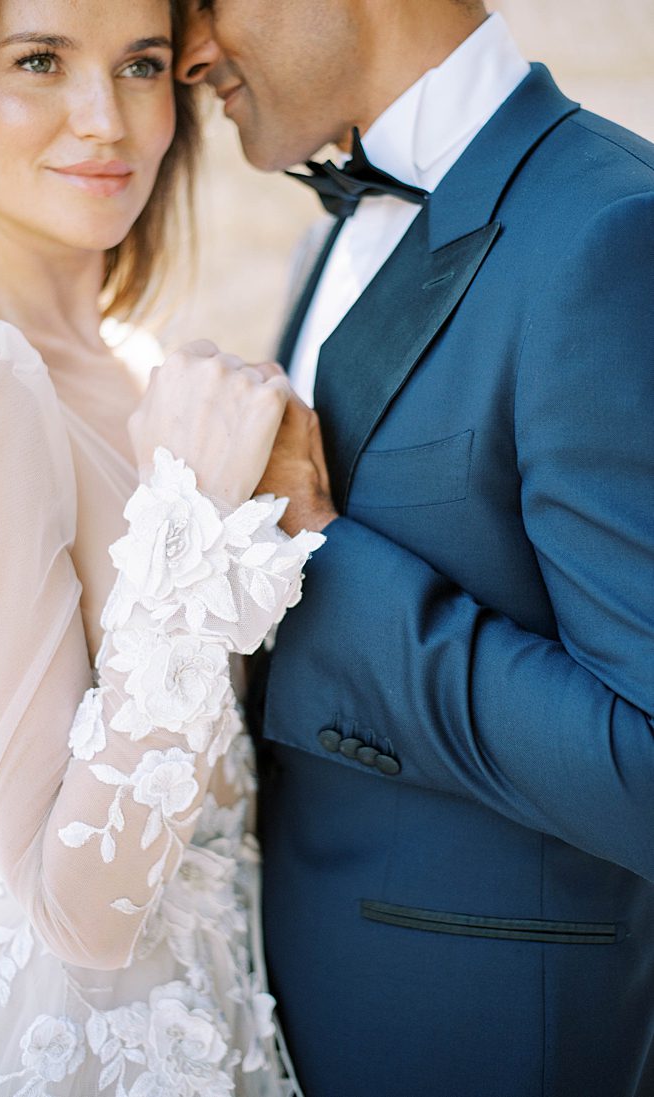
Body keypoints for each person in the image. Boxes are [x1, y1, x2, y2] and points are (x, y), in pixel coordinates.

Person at [177, 3, 654, 1094]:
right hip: (295, 1004)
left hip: (485, 1037)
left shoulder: (614, 233)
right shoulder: (339, 223)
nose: (191, 50)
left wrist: (314, 547)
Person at [0, 0, 325, 1092]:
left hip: (221, 1004)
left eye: (141, 65)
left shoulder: (147, 369)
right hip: (80, 1038)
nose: (107, 119)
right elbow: (78, 910)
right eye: (41, 60)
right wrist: (191, 511)